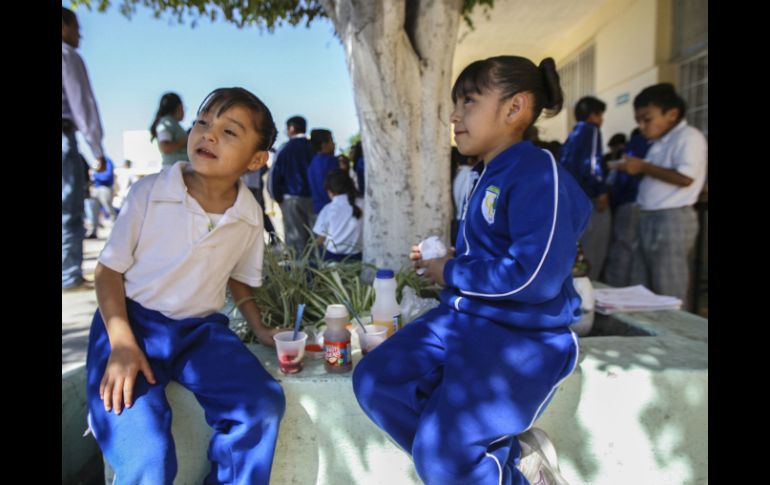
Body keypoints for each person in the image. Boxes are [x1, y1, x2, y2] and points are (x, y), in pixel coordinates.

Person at [353, 55, 592, 485]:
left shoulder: (538, 171)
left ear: (514, 108)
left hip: (519, 339)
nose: (454, 116)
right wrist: (448, 259)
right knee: (375, 381)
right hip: (462, 322)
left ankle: (501, 470)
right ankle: (505, 458)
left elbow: (535, 277)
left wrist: (452, 273)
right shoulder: (483, 174)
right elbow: (496, 253)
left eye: (468, 102)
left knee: (441, 453)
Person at [85, 87, 286, 484]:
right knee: (146, 450)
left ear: (256, 160)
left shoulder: (248, 214)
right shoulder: (149, 193)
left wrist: (259, 326)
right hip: (132, 324)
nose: (208, 135)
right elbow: (108, 271)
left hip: (200, 332)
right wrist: (122, 344)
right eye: (203, 122)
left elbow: (238, 277)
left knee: (260, 405)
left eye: (230, 132)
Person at [616, 83, 707, 305]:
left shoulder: (688, 137)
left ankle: (678, 338)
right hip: (649, 216)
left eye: (647, 119)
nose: (642, 126)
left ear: (672, 114)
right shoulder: (657, 143)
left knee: (669, 288)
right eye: (639, 120)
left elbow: (686, 178)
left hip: (671, 219)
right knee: (643, 287)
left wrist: (644, 167)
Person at [62, 6, 107, 290]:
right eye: (76, 26)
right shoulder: (67, 56)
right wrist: (97, 148)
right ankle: (69, 274)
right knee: (69, 206)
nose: (80, 34)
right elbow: (82, 105)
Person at [560, 96, 611, 281]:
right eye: (600, 115)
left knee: (577, 254)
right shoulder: (591, 130)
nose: (602, 120)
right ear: (593, 115)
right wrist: (601, 190)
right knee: (593, 253)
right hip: (589, 199)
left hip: (572, 201)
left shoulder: (572, 135)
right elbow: (592, 163)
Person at [603, 129, 650, 287]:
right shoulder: (642, 144)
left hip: (629, 201)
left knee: (624, 246)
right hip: (634, 202)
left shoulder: (638, 144)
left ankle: (617, 286)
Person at [268, 115, 314, 255]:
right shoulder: (312, 147)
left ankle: (299, 270)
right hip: (313, 198)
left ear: (292, 128)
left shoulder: (286, 149)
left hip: (291, 198)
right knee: (313, 236)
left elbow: (276, 174)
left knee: (296, 239)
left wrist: (276, 195)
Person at [312, 169, 363, 262]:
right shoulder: (363, 203)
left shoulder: (328, 209)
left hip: (332, 258)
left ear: (330, 192)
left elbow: (320, 238)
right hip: (357, 258)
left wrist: (311, 248)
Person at [150, 92, 189, 167]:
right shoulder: (166, 122)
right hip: (174, 170)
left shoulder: (172, 123)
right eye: (183, 108)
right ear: (179, 107)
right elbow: (165, 148)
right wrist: (184, 140)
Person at [307, 128, 340, 214]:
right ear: (323, 144)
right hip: (334, 208)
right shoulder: (331, 161)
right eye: (331, 140)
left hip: (319, 210)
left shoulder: (312, 164)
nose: (334, 144)